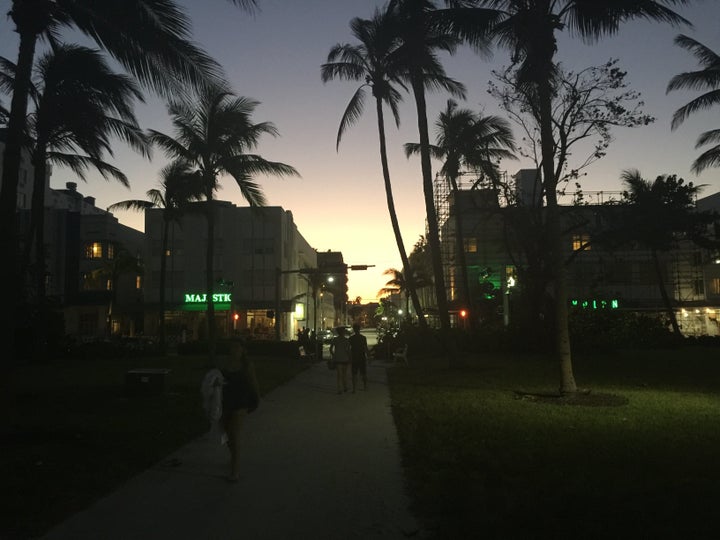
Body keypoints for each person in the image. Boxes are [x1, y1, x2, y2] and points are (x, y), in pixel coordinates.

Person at [221, 338, 260, 482]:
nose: (234, 350)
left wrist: (257, 397)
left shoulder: (247, 365)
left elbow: (253, 382)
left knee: (235, 434)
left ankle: (235, 470)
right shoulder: (225, 363)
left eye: (237, 347)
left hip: (241, 402)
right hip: (226, 401)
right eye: (232, 347)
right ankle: (233, 457)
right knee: (227, 434)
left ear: (243, 349)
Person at [329, 326, 351, 394]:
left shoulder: (335, 340)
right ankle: (345, 387)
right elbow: (348, 350)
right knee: (344, 374)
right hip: (345, 358)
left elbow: (331, 349)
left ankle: (339, 389)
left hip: (338, 358)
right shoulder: (346, 340)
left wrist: (334, 355)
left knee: (339, 374)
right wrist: (350, 358)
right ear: (343, 332)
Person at [349, 323, 369, 392]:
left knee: (354, 374)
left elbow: (349, 349)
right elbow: (365, 348)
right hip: (362, 357)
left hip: (354, 357)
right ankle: (365, 387)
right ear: (359, 329)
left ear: (354, 329)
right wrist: (368, 356)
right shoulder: (363, 338)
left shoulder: (351, 338)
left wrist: (349, 357)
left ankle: (354, 389)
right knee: (364, 373)